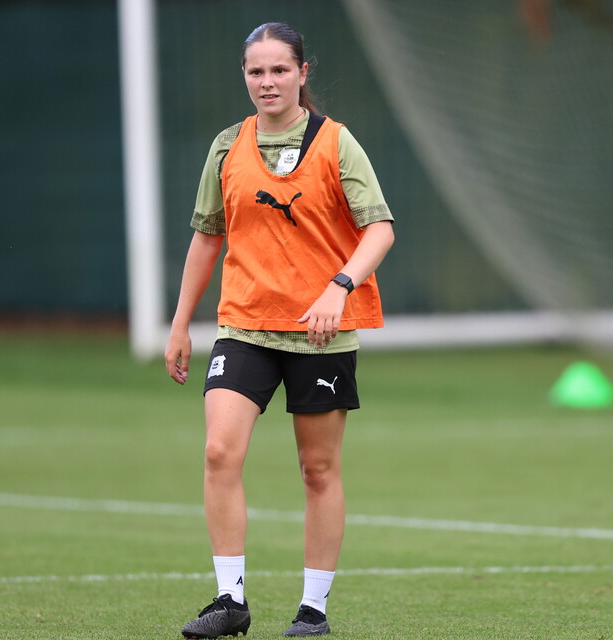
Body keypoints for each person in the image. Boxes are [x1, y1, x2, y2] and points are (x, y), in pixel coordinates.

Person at [165, 22, 394, 639]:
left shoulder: (336, 143)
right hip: (243, 324)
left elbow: (380, 229)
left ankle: (312, 610)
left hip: (320, 332)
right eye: (255, 71)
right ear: (244, 76)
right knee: (219, 451)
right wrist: (181, 322)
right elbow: (207, 236)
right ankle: (229, 601)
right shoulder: (226, 147)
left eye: (278, 70)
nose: (266, 82)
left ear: (302, 73)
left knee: (317, 471)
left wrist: (338, 288)